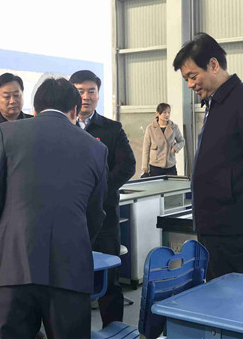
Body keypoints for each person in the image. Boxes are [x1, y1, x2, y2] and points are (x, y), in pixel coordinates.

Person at [0, 77, 108, 339]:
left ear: (34, 109)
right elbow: (95, 214)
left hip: (10, 270)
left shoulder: (6, 134)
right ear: (75, 110)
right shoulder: (96, 149)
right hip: (69, 272)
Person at [172, 33, 243, 281]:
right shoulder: (216, 104)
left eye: (193, 76)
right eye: (186, 79)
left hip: (236, 226)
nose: (190, 84)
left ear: (213, 65)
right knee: (220, 293)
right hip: (215, 225)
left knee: (242, 294)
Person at [69, 70, 136, 327]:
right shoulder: (63, 128)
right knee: (72, 282)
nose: (85, 97)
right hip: (70, 219)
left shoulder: (112, 128)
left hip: (105, 218)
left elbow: (128, 165)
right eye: (80, 91)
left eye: (91, 91)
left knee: (110, 280)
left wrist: (100, 189)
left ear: (98, 95)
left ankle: (114, 329)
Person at [140, 103, 185, 177]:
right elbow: (146, 149)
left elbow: (182, 141)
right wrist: (144, 168)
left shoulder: (174, 127)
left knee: (173, 183)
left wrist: (176, 147)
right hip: (155, 166)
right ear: (157, 113)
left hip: (170, 165)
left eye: (169, 112)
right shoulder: (150, 128)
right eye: (164, 112)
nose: (167, 115)